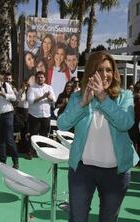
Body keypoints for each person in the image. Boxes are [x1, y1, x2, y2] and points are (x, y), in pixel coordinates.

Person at [58, 51, 139, 222]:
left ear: (114, 73)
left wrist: (103, 97)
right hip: (82, 170)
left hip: (116, 173)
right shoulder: (78, 97)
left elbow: (126, 123)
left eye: (109, 70)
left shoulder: (125, 97)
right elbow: (62, 124)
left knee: (108, 219)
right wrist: (82, 104)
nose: (105, 75)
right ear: (90, 73)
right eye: (99, 70)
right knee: (77, 218)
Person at [27, 71, 56, 137]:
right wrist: (43, 97)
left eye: (41, 77)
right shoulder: (32, 88)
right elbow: (30, 101)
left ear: (44, 78)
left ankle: (44, 147)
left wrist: (49, 97)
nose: (40, 79)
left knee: (44, 136)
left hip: (46, 116)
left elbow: (54, 99)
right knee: (34, 136)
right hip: (35, 116)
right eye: (38, 77)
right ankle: (32, 147)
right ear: (35, 79)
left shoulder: (49, 87)